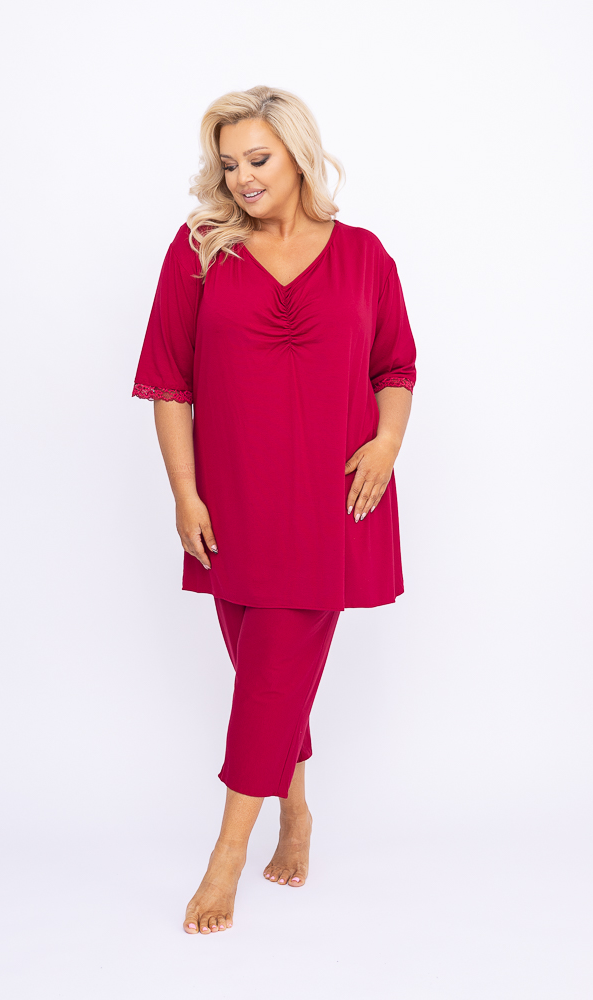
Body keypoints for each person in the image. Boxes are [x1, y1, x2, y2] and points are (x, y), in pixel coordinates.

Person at [132, 85, 417, 935]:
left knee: (266, 679)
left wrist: (387, 441)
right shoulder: (198, 250)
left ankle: (225, 860)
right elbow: (169, 383)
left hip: (331, 502)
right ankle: (294, 810)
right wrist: (184, 493)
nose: (243, 177)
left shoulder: (364, 255)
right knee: (265, 676)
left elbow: (394, 366)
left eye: (257, 158)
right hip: (231, 504)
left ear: (297, 153)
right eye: (228, 164)